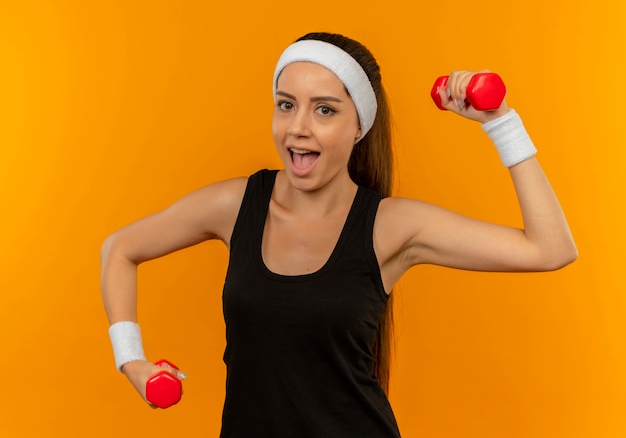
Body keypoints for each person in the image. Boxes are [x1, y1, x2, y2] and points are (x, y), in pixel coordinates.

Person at [100, 32, 577, 437]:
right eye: (286, 105)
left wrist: (501, 123)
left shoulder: (392, 226)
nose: (298, 128)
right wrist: (132, 361)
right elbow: (120, 248)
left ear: (358, 127)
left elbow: (550, 248)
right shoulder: (235, 205)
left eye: (324, 111)